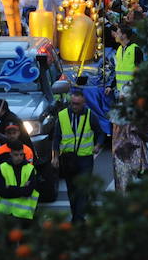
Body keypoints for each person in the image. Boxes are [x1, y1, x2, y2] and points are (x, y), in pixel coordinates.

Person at [53, 90, 104, 223]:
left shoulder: (90, 116)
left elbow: (100, 133)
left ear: (84, 103)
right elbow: (56, 138)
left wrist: (98, 145)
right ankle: (76, 215)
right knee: (72, 190)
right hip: (68, 159)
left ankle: (78, 220)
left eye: (77, 104)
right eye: (72, 103)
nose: (74, 106)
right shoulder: (62, 116)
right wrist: (55, 157)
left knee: (82, 189)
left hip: (85, 159)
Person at [0, 140, 39, 225]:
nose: (19, 157)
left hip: (24, 215)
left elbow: (28, 192)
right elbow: (1, 191)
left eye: (21, 154)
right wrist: (22, 189)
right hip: (6, 214)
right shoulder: (2, 167)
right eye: (16, 155)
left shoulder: (30, 169)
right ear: (10, 153)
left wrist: (10, 188)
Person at [108, 25, 143, 96]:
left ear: (124, 35)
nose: (115, 35)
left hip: (132, 92)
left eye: (117, 33)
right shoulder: (119, 50)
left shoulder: (135, 49)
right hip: (120, 91)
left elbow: (140, 73)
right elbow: (118, 70)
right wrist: (111, 86)